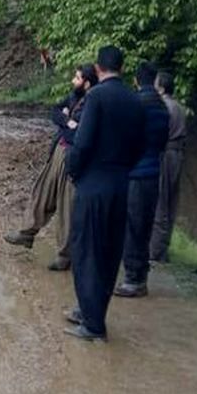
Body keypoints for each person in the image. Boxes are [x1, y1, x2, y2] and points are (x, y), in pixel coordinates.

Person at [63, 45, 145, 341]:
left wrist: (73, 170)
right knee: (110, 253)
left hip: (93, 183)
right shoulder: (136, 102)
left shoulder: (96, 97)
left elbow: (82, 144)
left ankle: (91, 321)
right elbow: (140, 147)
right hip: (121, 184)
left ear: (97, 68)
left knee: (86, 250)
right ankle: (95, 313)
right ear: (121, 68)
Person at [4, 65, 98, 270]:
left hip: (74, 158)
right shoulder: (75, 96)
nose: (73, 81)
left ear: (87, 82)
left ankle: (65, 255)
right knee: (41, 192)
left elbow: (80, 134)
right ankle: (26, 233)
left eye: (77, 78)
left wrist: (68, 123)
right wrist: (67, 120)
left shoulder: (93, 103)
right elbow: (55, 111)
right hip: (59, 151)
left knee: (67, 207)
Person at [115, 63, 170, 298]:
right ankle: (141, 276)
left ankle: (132, 279)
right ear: (155, 80)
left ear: (136, 80)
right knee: (145, 226)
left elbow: (126, 138)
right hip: (153, 173)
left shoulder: (135, 103)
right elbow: (163, 142)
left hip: (136, 174)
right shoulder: (162, 106)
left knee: (132, 228)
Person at [149, 71, 187, 266]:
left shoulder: (163, 106)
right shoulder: (179, 107)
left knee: (160, 202)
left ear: (161, 87)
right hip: (178, 155)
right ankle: (163, 248)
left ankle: (155, 250)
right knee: (171, 202)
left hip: (164, 153)